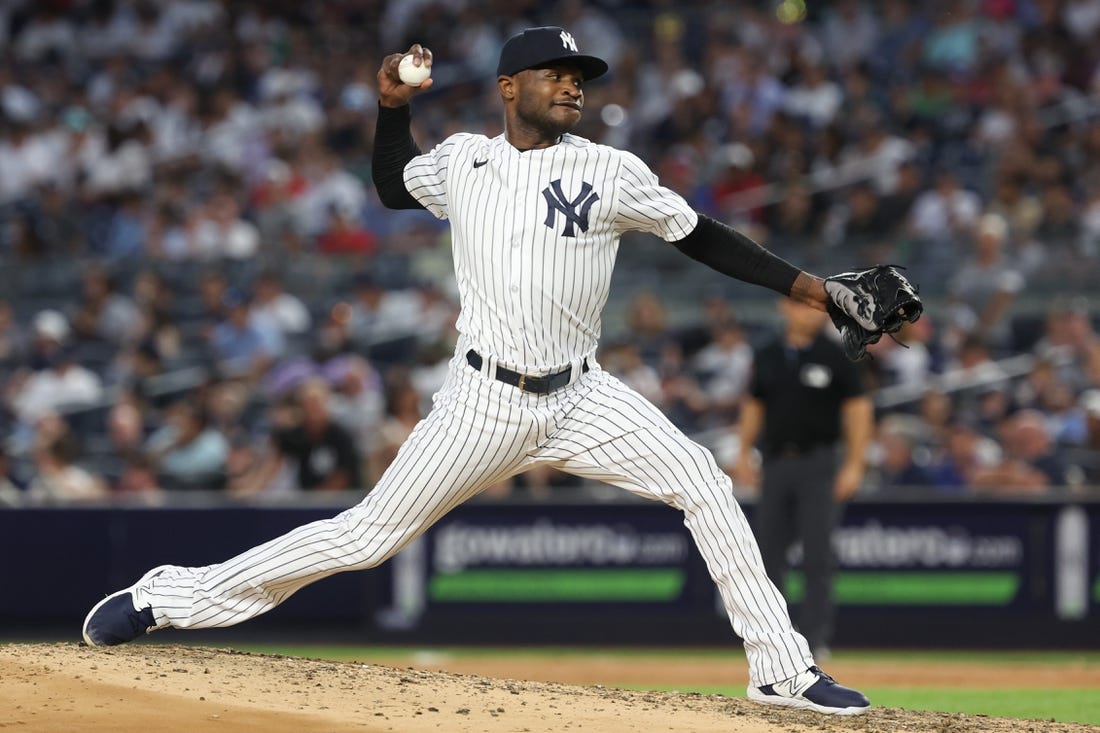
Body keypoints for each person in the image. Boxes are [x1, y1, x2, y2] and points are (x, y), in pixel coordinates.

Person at [82, 27, 873, 716]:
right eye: (557, 74)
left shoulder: (610, 168)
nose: (573, 85)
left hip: (583, 393)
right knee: (364, 537)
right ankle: (168, 594)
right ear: (508, 87)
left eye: (582, 77)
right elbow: (394, 185)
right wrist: (392, 107)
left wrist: (815, 289)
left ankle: (780, 670)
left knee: (702, 477)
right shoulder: (464, 161)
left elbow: (703, 236)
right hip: (483, 400)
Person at [733, 298, 874, 662]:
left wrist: (855, 464)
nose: (806, 313)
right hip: (776, 462)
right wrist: (743, 451)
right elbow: (754, 404)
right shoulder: (766, 354)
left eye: (814, 308)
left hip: (819, 463)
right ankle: (771, 638)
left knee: (817, 555)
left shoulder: (839, 352)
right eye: (800, 306)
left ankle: (814, 639)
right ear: (783, 308)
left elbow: (858, 409)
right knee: (767, 555)